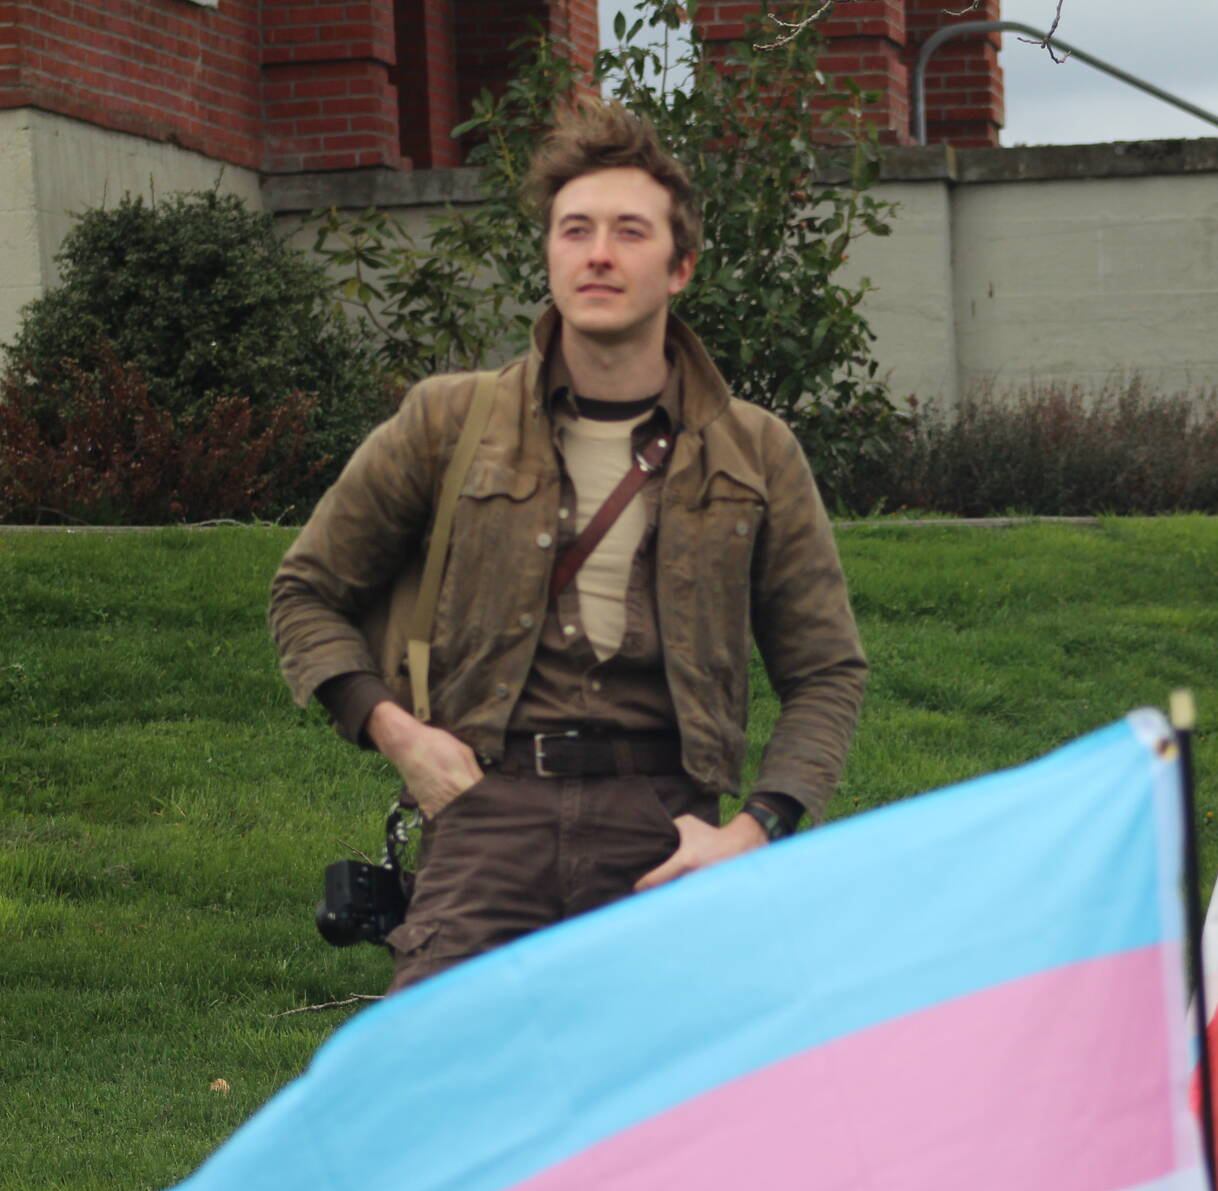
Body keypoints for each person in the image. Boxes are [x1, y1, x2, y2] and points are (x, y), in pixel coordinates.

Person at [271, 99, 866, 991]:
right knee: (434, 1093)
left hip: (665, 825)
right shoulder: (449, 420)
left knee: (660, 1117)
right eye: (575, 229)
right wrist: (401, 737)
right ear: (548, 256)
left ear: (681, 267)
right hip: (486, 816)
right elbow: (306, 590)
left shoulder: (756, 449)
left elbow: (827, 670)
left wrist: (752, 833)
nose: (598, 252)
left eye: (630, 231)